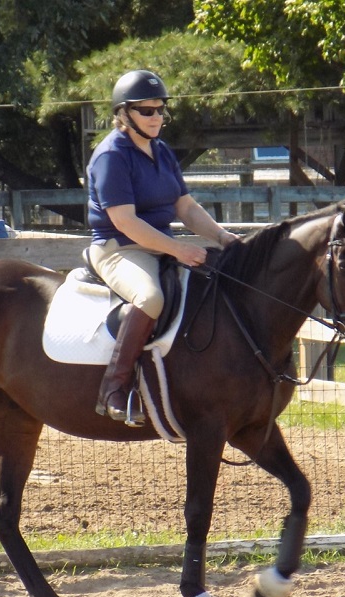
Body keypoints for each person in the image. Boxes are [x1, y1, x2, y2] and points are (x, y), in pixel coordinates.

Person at [87, 69, 241, 426]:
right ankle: (114, 388)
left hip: (157, 245)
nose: (156, 117)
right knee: (150, 298)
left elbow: (184, 207)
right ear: (124, 114)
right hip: (119, 248)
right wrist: (178, 250)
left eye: (160, 110)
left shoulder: (162, 151)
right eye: (147, 111)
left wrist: (222, 237)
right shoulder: (111, 155)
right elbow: (125, 221)